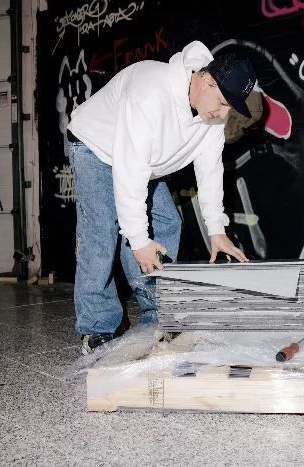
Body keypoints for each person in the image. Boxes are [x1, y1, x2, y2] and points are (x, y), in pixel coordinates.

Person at [66, 41, 256, 354]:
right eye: (222, 103)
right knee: (100, 234)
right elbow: (129, 170)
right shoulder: (151, 92)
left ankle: (159, 315)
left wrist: (216, 231)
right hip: (95, 147)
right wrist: (138, 240)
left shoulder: (212, 112)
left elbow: (210, 172)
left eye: (228, 108)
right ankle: (96, 329)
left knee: (167, 223)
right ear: (206, 80)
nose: (222, 114)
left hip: (142, 161)